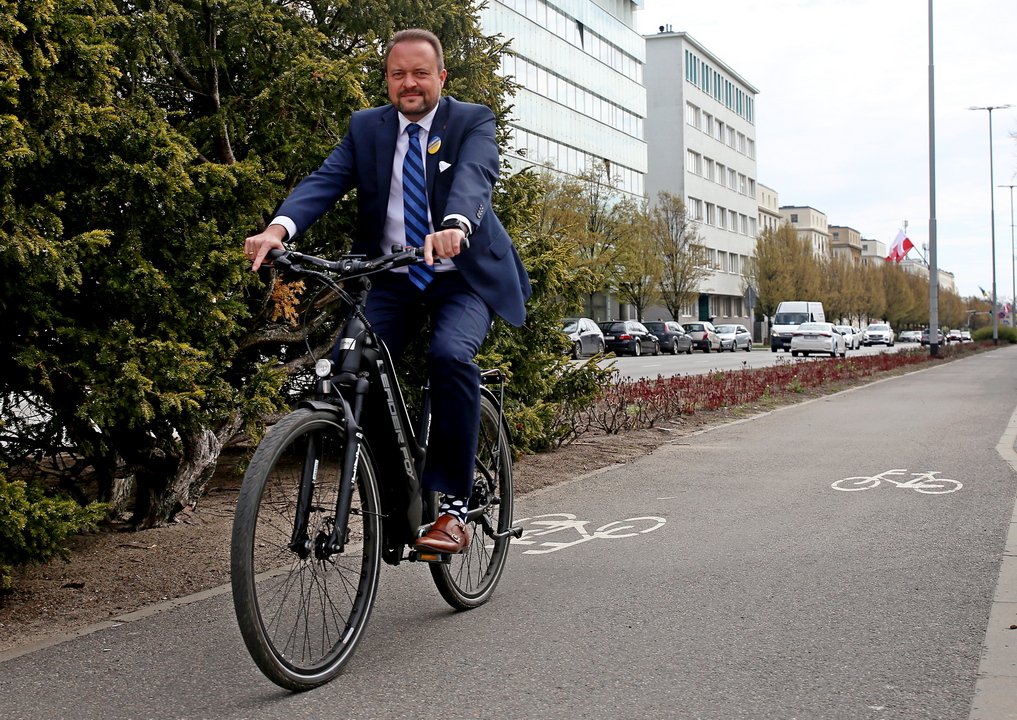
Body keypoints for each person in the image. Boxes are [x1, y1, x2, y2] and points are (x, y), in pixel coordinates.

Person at [244, 28, 531, 554]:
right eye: (398, 74)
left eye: (421, 73)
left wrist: (455, 225)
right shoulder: (367, 129)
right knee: (351, 367)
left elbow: (475, 176)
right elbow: (326, 180)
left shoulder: (471, 121)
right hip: (393, 276)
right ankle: (395, 503)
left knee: (449, 356)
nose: (410, 84)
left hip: (461, 278)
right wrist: (279, 229)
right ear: (387, 80)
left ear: (441, 77)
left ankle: (453, 506)